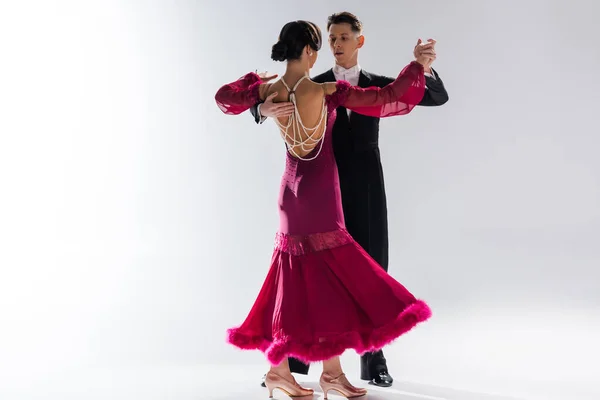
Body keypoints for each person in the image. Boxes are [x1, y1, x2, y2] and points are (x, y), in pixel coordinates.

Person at [214, 19, 432, 399]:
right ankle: (293, 369)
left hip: (289, 192)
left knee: (296, 275)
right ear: (313, 52)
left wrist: (260, 99)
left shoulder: (268, 89)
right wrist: (417, 67)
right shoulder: (326, 90)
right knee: (328, 275)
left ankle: (302, 370)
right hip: (320, 192)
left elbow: (224, 97)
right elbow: (389, 97)